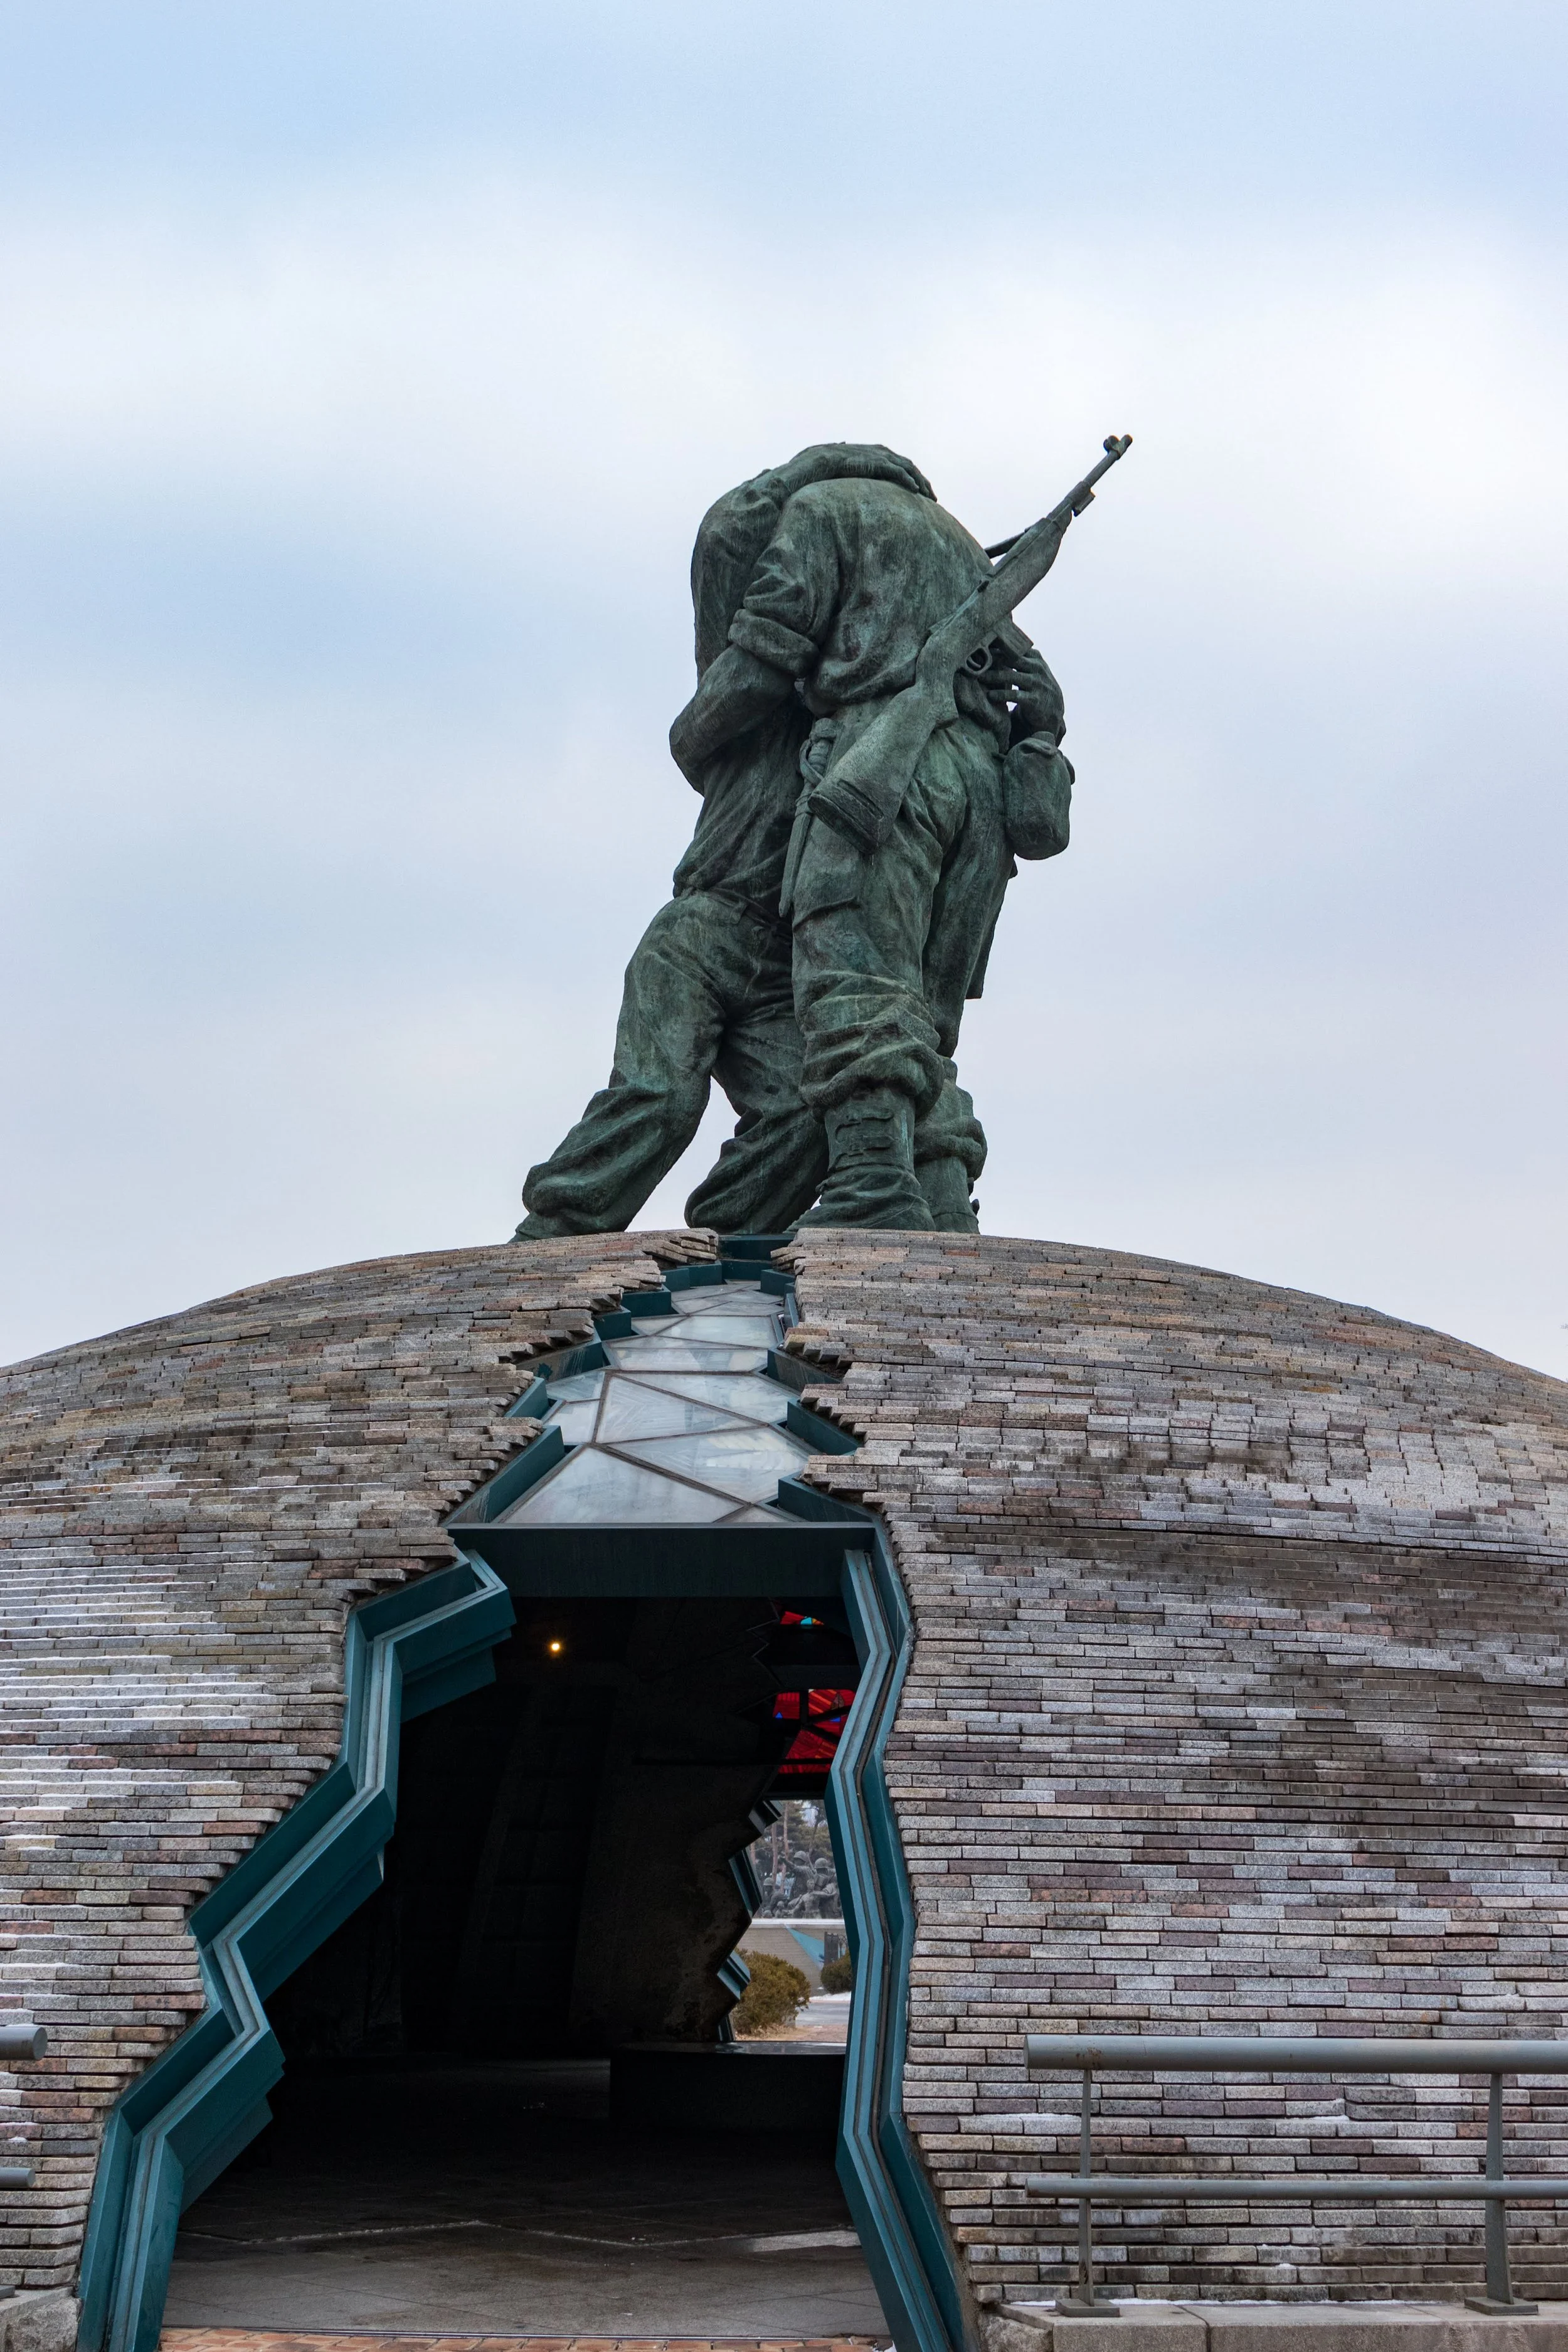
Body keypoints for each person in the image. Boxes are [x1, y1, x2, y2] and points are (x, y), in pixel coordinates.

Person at [516, 443, 936, 1239]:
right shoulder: (747, 701)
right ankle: (553, 1237)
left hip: (782, 964)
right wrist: (824, 466)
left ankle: (725, 1245)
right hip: (703, 933)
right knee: (658, 1097)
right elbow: (728, 535)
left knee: (811, 1114)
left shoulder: (876, 734)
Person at [665, 472, 1074, 1229]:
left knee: (848, 973)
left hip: (886, 774)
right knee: (922, 1015)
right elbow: (1043, 831)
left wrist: (691, 737)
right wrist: (1043, 732)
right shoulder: (964, 558)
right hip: (982, 798)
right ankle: (942, 1192)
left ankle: (872, 1184)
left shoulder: (821, 513)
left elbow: (759, 658)